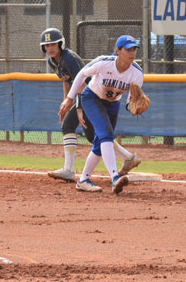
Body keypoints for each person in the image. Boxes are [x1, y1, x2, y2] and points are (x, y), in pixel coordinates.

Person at [41, 28, 141, 190]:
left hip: (107, 101)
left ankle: (84, 179)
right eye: (47, 45)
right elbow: (73, 79)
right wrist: (69, 100)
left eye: (134, 49)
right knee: (103, 135)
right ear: (118, 51)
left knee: (97, 140)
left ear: (60, 44)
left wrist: (131, 106)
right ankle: (114, 176)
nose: (50, 48)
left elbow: (84, 79)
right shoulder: (56, 61)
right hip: (91, 97)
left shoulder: (136, 73)